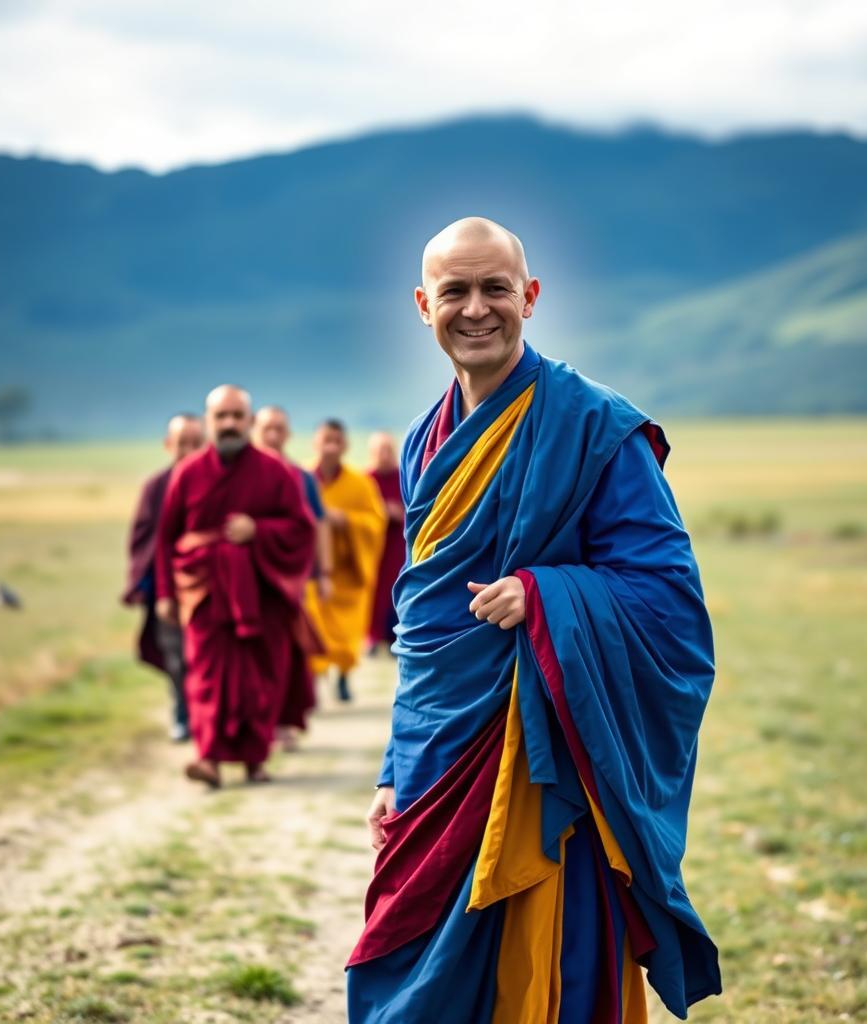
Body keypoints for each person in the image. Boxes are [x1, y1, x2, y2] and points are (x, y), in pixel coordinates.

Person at [348, 219, 721, 1023]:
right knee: (420, 983)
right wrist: (395, 766)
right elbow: (423, 632)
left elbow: (671, 606)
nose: (476, 309)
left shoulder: (595, 427)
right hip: (443, 762)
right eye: (455, 291)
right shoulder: (424, 443)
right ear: (423, 305)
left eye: (495, 289)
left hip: (555, 770)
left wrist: (547, 597)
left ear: (531, 297)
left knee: (547, 981)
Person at [155, 385, 316, 788]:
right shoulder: (187, 473)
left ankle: (254, 759)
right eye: (220, 417)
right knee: (207, 679)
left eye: (236, 416)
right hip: (205, 592)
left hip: (260, 595)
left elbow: (301, 529)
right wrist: (163, 594)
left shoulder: (275, 471)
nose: (228, 424)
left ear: (249, 420)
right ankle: (208, 758)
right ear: (209, 421)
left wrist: (257, 531)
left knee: (260, 679)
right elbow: (166, 537)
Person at [122, 413, 204, 741]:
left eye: (195, 443)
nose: (187, 450)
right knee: (175, 655)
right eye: (181, 443)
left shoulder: (210, 481)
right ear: (167, 445)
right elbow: (142, 537)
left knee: (206, 657)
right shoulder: (156, 487)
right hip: (165, 586)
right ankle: (182, 713)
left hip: (207, 586)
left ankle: (204, 718)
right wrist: (145, 585)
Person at [251, 404, 329, 746]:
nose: (272, 435)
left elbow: (317, 524)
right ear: (254, 430)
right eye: (266, 428)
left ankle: (283, 722)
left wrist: (323, 571)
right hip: (246, 579)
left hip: (289, 579)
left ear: (288, 434)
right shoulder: (243, 475)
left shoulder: (301, 477)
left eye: (279, 429)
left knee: (286, 651)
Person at [304, 419, 387, 702]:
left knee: (347, 634)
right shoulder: (302, 479)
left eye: (336, 441)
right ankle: (313, 681)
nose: (330, 447)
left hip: (349, 571)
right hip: (312, 571)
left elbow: (376, 523)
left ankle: (343, 677)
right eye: (325, 440)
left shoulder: (361, 484)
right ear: (315, 443)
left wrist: (346, 520)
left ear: (345, 446)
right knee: (314, 628)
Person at [366, 432, 405, 653]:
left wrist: (400, 514)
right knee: (372, 591)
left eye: (388, 450)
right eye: (380, 450)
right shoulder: (365, 480)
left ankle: (393, 633)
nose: (384, 455)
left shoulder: (404, 476)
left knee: (394, 589)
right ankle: (371, 636)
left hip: (397, 547)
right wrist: (380, 514)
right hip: (371, 547)